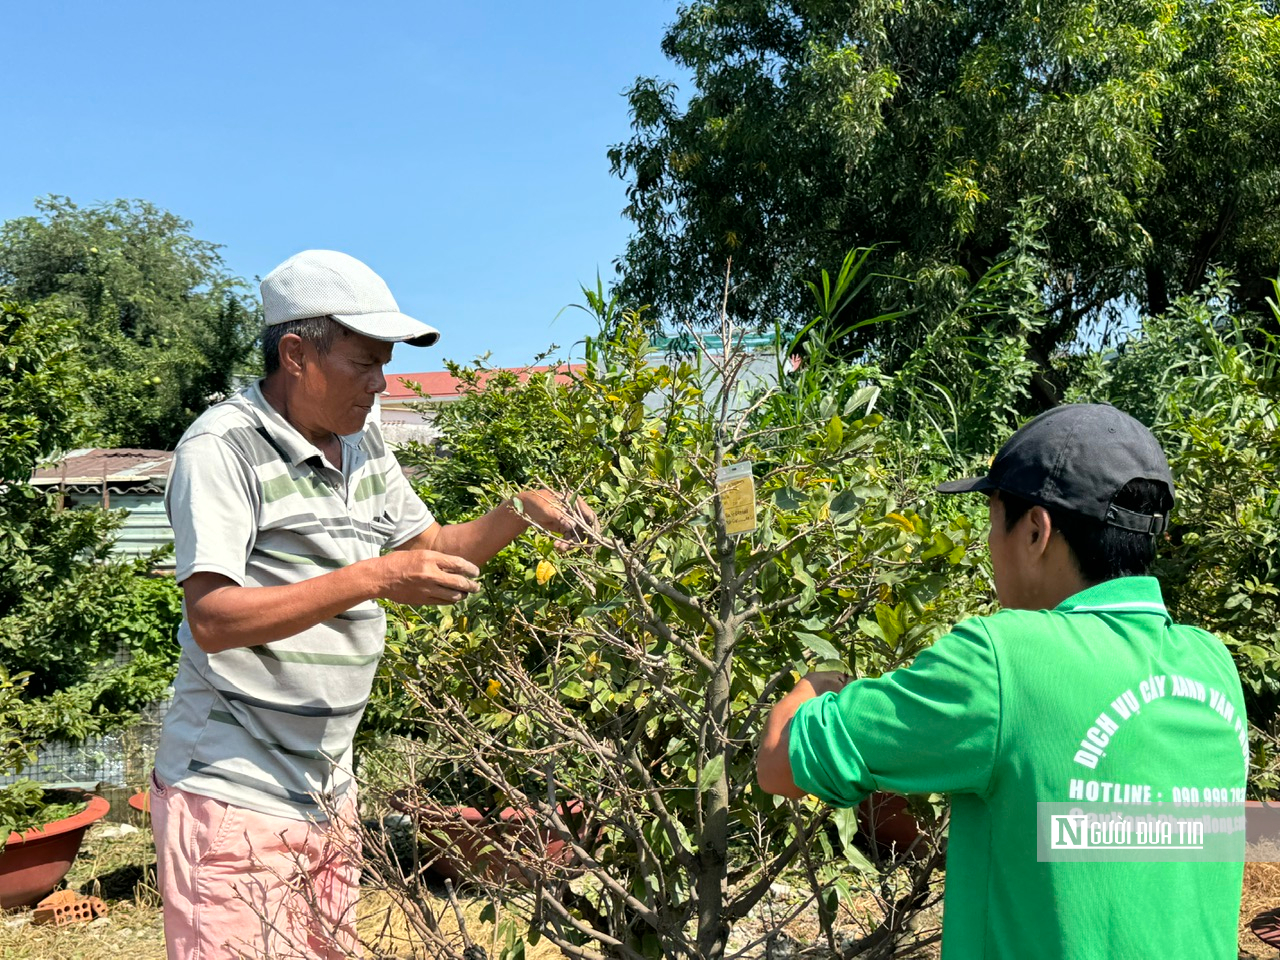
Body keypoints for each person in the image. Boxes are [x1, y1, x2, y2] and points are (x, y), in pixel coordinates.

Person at [150, 249, 594, 960]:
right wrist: (375, 579)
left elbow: (435, 543)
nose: (380, 384)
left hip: (328, 792)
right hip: (234, 794)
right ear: (295, 353)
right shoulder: (222, 451)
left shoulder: (363, 443)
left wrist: (521, 511)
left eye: (383, 364)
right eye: (364, 364)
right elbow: (214, 619)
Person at [756, 404, 1247, 959]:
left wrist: (818, 687)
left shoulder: (1003, 659)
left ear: (1036, 530)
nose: (989, 544)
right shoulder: (1213, 667)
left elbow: (780, 761)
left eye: (992, 521)